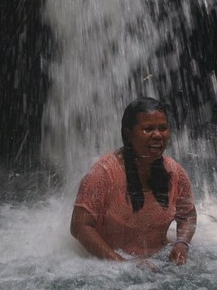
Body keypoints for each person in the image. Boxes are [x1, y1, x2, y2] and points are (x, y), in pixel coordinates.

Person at [70, 97, 196, 265]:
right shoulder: (103, 174)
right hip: (108, 268)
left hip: (159, 262)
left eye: (163, 128)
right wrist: (122, 265)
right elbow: (80, 226)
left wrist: (182, 244)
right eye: (148, 129)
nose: (158, 135)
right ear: (128, 134)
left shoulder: (175, 173)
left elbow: (187, 215)